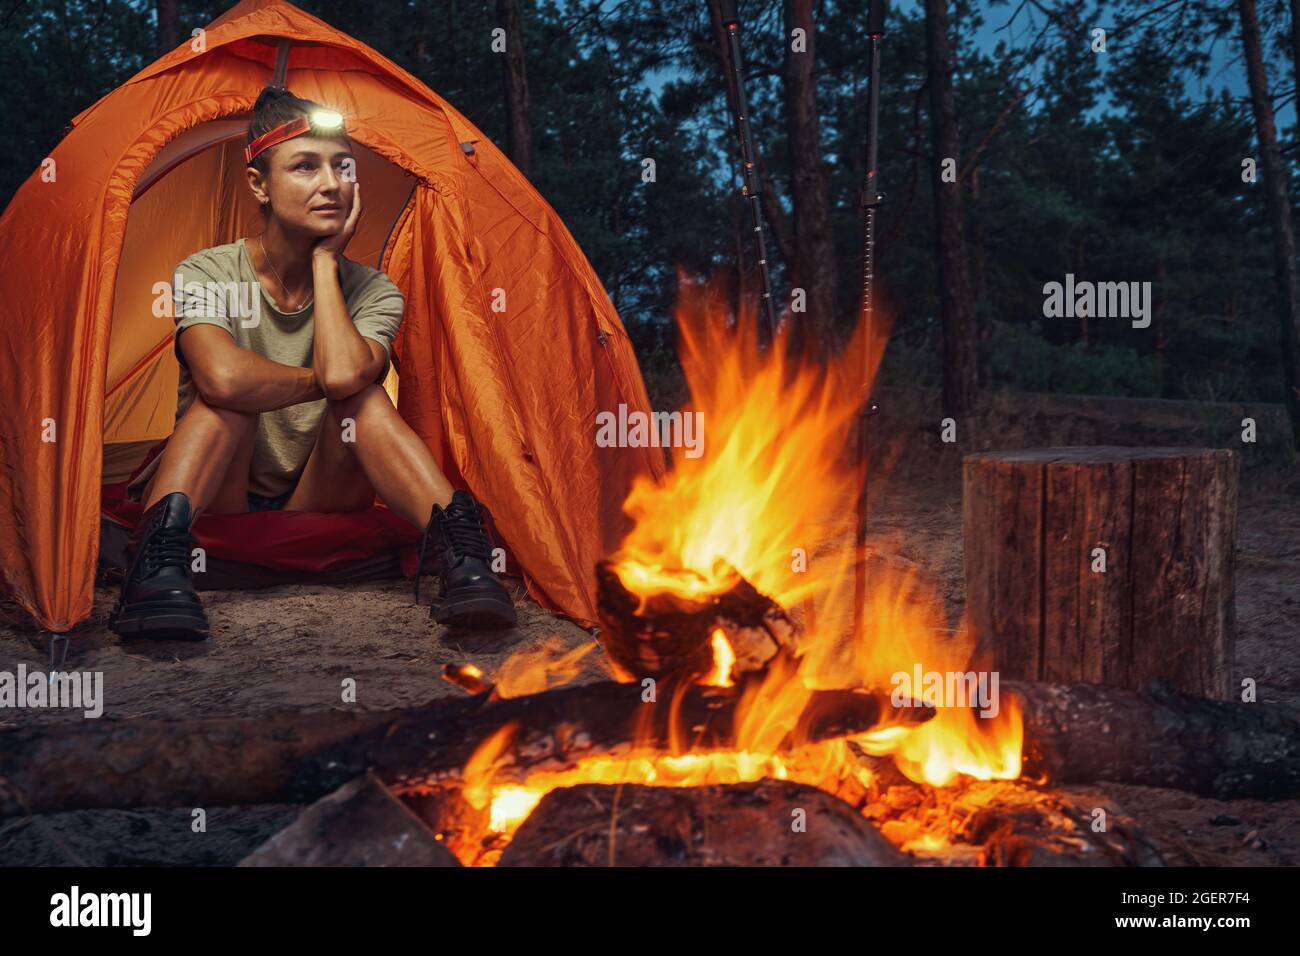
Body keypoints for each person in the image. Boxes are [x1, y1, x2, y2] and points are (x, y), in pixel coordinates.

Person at [112, 86, 516, 640]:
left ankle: (465, 554)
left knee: (363, 397)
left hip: (318, 489)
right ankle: (155, 564)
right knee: (225, 401)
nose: (330, 184)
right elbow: (222, 377)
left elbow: (349, 378)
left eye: (342, 167)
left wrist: (327, 264)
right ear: (260, 184)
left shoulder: (375, 290)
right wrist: (318, 382)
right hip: (219, 488)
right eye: (304, 166)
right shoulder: (209, 270)